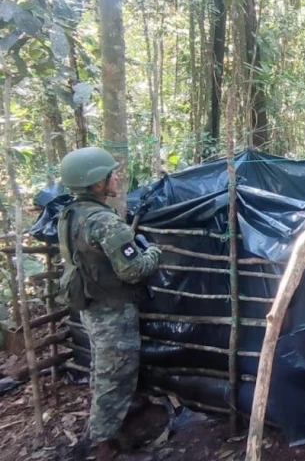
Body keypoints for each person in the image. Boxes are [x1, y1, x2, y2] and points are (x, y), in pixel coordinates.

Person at [57, 147, 161, 460]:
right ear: (97, 183)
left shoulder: (70, 214)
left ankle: (111, 436)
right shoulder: (104, 221)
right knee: (114, 377)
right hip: (112, 310)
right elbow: (133, 270)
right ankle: (104, 447)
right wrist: (154, 253)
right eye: (110, 174)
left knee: (105, 371)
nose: (116, 177)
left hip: (91, 305)